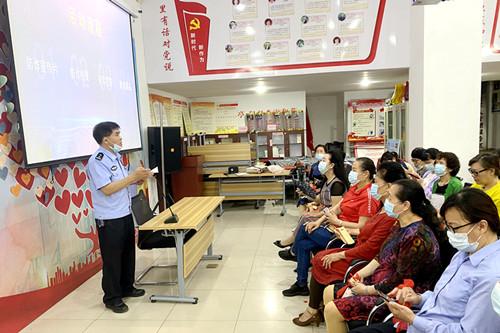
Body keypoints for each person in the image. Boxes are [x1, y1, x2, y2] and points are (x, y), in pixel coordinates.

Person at [350, 188, 500, 333]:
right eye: (447, 227)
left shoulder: (490, 276)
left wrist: (413, 319)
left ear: (481, 226)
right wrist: (418, 298)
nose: (450, 234)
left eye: (454, 228)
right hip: (424, 319)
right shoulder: (464, 253)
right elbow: (441, 300)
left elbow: (468, 331)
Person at [291, 162, 407, 326]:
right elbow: (358, 225)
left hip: (360, 254)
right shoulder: (379, 204)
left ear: (388, 187)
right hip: (350, 238)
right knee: (308, 242)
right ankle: (309, 296)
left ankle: (313, 308)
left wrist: (340, 246)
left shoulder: (387, 213)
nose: (374, 185)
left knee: (318, 256)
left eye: (377, 182)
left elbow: (371, 246)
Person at [322, 179, 442, 333]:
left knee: (332, 309)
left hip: (398, 295)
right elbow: (381, 256)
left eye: (391, 198)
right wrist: (360, 274)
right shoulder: (399, 224)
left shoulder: (416, 236)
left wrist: (366, 290)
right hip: (381, 282)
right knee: (329, 292)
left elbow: (400, 280)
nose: (387, 200)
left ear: (405, 205)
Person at [279, 157, 379, 296]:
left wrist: (338, 222)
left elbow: (362, 226)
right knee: (303, 242)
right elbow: (336, 209)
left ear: (366, 174)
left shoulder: (368, 197)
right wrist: (318, 222)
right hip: (334, 228)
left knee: (303, 229)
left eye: (355, 170)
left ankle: (293, 254)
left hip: (345, 236)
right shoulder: (354, 188)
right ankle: (301, 283)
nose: (352, 172)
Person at [86, 122, 153, 313]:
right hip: (109, 217)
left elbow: (121, 184)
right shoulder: (97, 160)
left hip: (124, 212)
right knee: (113, 258)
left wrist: (137, 180)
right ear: (106, 139)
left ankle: (126, 287)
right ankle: (112, 298)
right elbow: (107, 189)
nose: (121, 137)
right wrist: (132, 177)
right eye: (117, 134)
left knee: (127, 253)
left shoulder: (115, 157)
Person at [274, 148, 348, 249]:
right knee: (305, 213)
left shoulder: (337, 184)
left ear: (331, 165)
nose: (320, 163)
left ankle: (291, 242)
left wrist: (317, 214)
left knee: (306, 217)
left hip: (330, 217)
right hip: (324, 211)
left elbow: (335, 209)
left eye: (324, 160)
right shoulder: (326, 181)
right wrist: (305, 194)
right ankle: (293, 245)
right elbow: (320, 199)